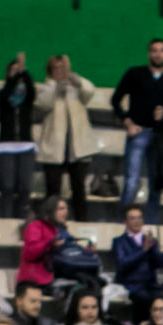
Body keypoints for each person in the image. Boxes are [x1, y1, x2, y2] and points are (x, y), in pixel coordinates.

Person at [114, 38, 163, 220]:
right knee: (131, 181)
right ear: (149, 53)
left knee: (156, 184)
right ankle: (125, 222)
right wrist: (127, 122)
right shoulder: (134, 74)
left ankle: (151, 225)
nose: (158, 54)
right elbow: (116, 100)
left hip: (159, 136)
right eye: (154, 50)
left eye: (161, 50)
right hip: (138, 132)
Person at [35, 54, 96, 222]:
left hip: (78, 147)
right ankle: (51, 224)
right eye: (57, 68)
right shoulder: (46, 87)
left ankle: (81, 221)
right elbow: (42, 103)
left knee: (79, 189)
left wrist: (78, 82)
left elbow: (90, 92)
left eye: (63, 67)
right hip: (54, 148)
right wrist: (56, 89)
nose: (61, 71)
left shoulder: (76, 87)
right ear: (50, 71)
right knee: (53, 190)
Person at [0, 53, 38, 223]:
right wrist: (14, 78)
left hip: (26, 145)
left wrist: (24, 71)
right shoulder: (2, 94)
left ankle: (22, 222)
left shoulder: (27, 97)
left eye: (18, 70)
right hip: (6, 145)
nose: (16, 73)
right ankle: (6, 220)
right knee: (7, 187)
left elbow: (31, 90)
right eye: (12, 70)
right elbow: (6, 96)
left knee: (25, 187)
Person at [112, 203, 163, 315]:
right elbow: (122, 265)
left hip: (151, 284)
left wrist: (154, 249)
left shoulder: (150, 240)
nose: (137, 221)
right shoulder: (119, 242)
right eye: (132, 218)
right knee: (144, 298)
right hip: (131, 285)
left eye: (139, 218)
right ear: (125, 222)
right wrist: (143, 250)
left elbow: (161, 263)